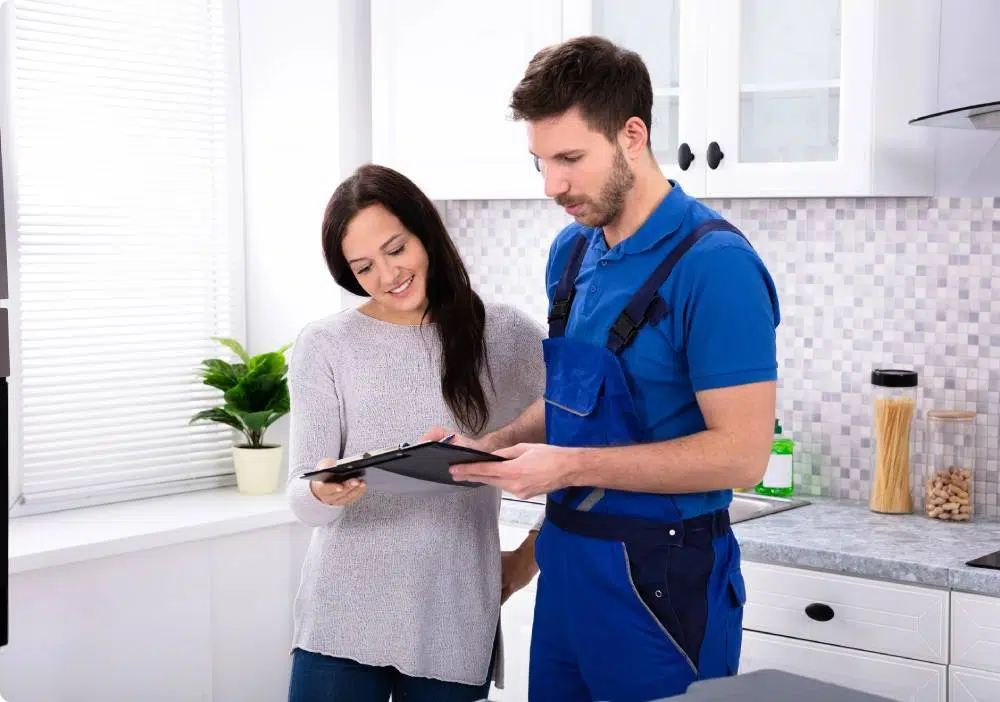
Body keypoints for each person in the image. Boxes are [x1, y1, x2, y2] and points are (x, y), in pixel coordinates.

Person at [424, 36, 781, 701]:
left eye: (570, 159)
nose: (552, 185)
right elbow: (575, 402)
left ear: (632, 136)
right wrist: (495, 445)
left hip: (662, 584)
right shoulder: (571, 253)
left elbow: (743, 456)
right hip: (566, 572)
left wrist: (565, 468)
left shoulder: (716, 267)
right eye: (540, 162)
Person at [285, 163, 545, 702]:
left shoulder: (504, 334)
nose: (387, 275)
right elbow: (302, 498)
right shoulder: (325, 345)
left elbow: (588, 434)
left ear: (425, 232)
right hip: (341, 615)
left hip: (453, 616)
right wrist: (321, 490)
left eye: (396, 249)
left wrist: (529, 556)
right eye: (364, 267)